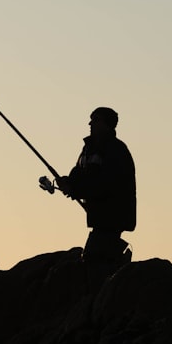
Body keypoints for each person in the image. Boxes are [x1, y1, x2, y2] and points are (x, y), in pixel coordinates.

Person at [57, 107, 136, 265]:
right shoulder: (89, 148)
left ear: (107, 124)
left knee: (94, 260)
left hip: (113, 217)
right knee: (95, 259)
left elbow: (105, 184)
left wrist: (75, 190)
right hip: (100, 218)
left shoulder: (116, 150)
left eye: (95, 120)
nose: (90, 123)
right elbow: (80, 174)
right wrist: (67, 183)